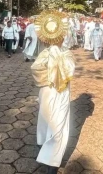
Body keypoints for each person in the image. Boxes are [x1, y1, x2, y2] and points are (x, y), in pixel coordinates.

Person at [30, 10, 75, 174]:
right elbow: (70, 71)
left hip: (46, 93)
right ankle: (51, 162)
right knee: (59, 126)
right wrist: (57, 58)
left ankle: (43, 146)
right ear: (61, 36)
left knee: (47, 120)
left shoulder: (44, 54)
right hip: (59, 93)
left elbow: (35, 70)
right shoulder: (65, 54)